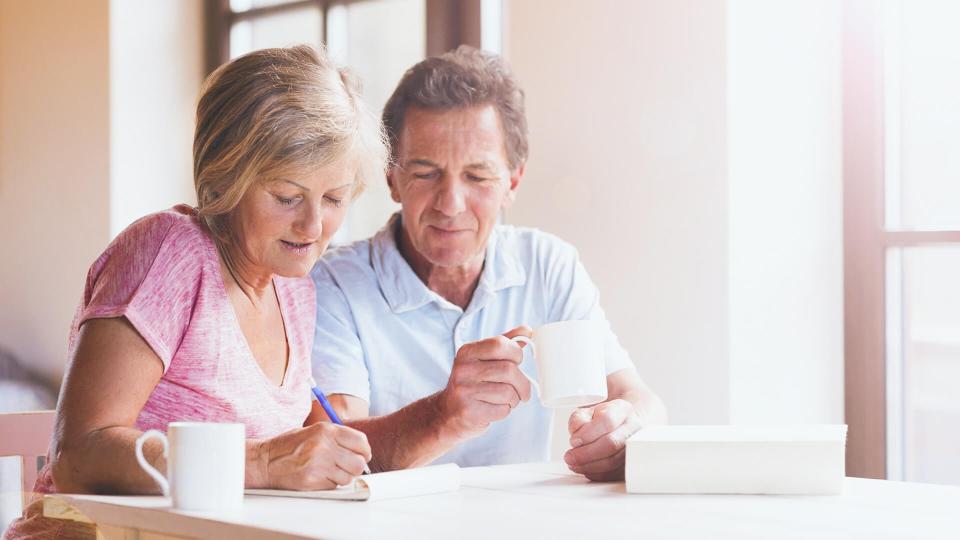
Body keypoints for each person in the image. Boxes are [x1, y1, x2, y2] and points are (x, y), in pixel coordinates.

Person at [5, 45, 386, 539]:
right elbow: (80, 453)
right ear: (225, 175)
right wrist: (263, 462)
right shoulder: (170, 251)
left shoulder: (294, 289)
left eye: (334, 198)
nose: (313, 225)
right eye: (287, 196)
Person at [310, 46, 667, 481]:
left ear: (512, 182)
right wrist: (443, 416)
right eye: (425, 173)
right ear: (392, 178)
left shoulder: (547, 264)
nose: (451, 204)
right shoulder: (334, 283)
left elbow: (641, 399)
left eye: (477, 176)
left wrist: (624, 431)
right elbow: (332, 445)